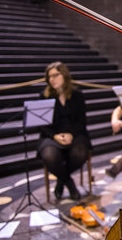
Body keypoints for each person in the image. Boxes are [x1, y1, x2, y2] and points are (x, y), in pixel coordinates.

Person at [38, 61, 90, 201]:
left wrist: (71, 134)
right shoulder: (44, 96)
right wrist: (55, 136)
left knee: (80, 153)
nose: (52, 79)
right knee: (49, 155)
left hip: (75, 134)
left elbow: (82, 121)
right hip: (51, 135)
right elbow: (42, 125)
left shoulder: (77, 95)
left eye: (55, 75)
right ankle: (69, 183)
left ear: (64, 75)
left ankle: (61, 180)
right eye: (49, 77)